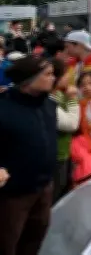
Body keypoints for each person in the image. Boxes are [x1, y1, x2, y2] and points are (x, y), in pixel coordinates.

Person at [0, 56, 57, 255]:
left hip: (44, 187)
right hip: (13, 195)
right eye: (47, 74)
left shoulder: (49, 105)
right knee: (7, 242)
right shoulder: (4, 109)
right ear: (28, 79)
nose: (53, 78)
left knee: (35, 237)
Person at [50, 59, 80, 202]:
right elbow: (71, 124)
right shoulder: (50, 99)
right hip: (57, 155)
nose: (69, 77)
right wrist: (73, 99)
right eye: (65, 74)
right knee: (55, 194)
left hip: (65, 152)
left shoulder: (60, 94)